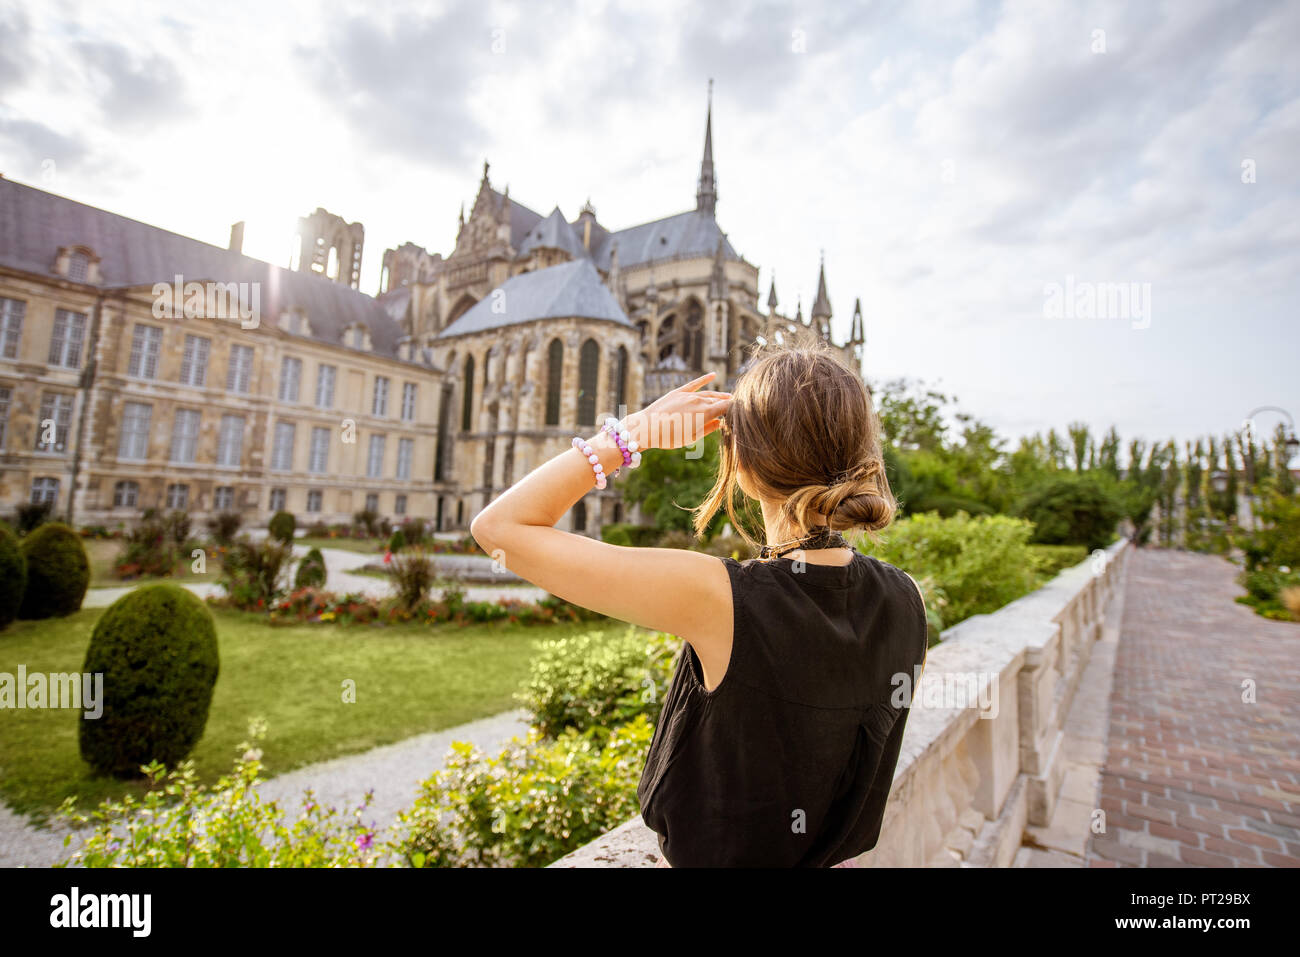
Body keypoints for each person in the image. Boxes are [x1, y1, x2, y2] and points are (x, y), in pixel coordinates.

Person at [470, 337, 929, 867]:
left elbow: (498, 528)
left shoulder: (720, 597)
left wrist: (628, 434)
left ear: (745, 467)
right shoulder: (907, 599)